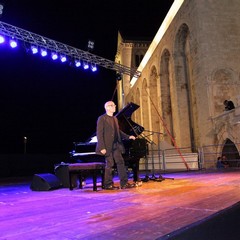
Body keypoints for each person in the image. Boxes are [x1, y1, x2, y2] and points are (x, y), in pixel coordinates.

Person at [95, 101, 136, 190]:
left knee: (120, 162)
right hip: (107, 146)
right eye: (112, 105)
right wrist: (102, 147)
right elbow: (99, 134)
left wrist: (128, 136)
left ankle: (124, 183)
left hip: (116, 145)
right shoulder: (102, 118)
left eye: (114, 105)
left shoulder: (114, 119)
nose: (115, 106)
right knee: (109, 164)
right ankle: (108, 184)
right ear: (107, 107)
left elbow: (118, 132)